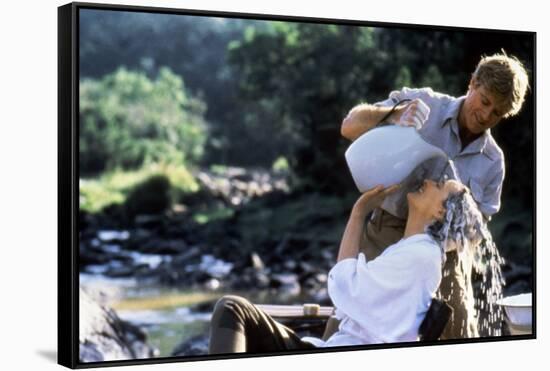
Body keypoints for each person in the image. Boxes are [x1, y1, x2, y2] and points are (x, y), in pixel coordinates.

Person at [339, 52, 529, 338]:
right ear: (472, 83)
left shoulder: (493, 161)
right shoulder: (423, 105)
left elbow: (476, 232)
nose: (486, 116)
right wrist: (393, 116)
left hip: (444, 253)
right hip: (387, 232)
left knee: (461, 334)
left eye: (498, 113)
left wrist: (434, 247)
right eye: (485, 102)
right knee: (350, 318)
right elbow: (349, 126)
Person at [208, 179, 483, 354]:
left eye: (440, 185)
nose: (430, 180)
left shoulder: (421, 257)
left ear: (441, 212)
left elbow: (344, 285)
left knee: (232, 309)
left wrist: (359, 213)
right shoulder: (412, 250)